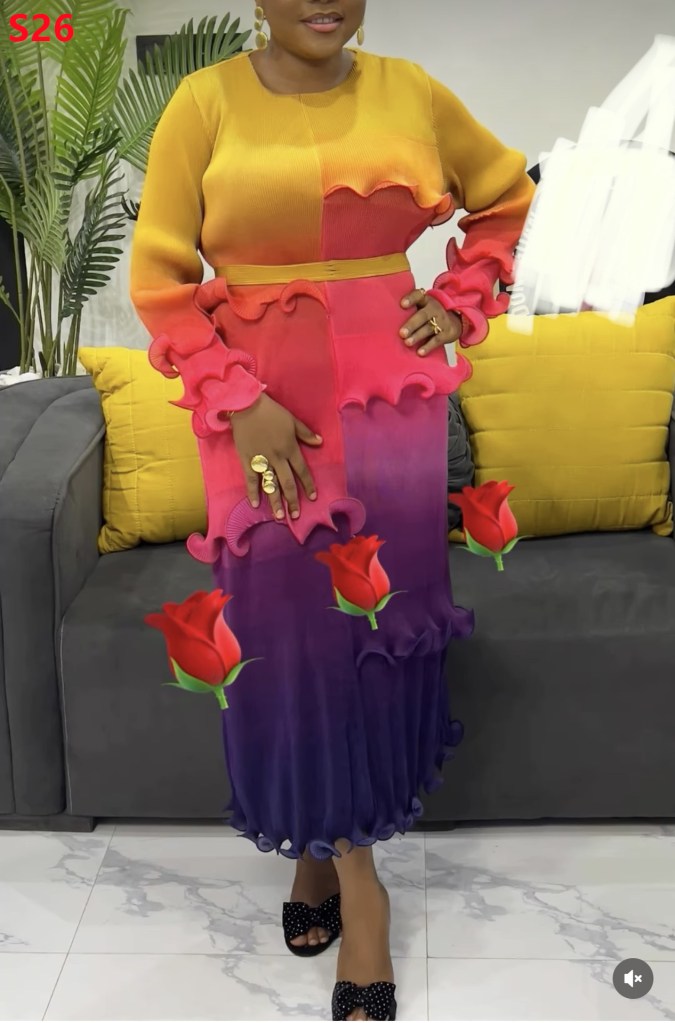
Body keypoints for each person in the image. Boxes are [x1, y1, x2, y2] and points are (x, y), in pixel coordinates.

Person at [129, 2, 534, 1018]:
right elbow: (160, 277)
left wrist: (460, 295)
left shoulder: (411, 91)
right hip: (256, 408)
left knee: (374, 625)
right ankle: (351, 871)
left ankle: (338, 867)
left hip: (389, 398)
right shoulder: (203, 103)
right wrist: (239, 401)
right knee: (286, 638)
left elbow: (504, 195)